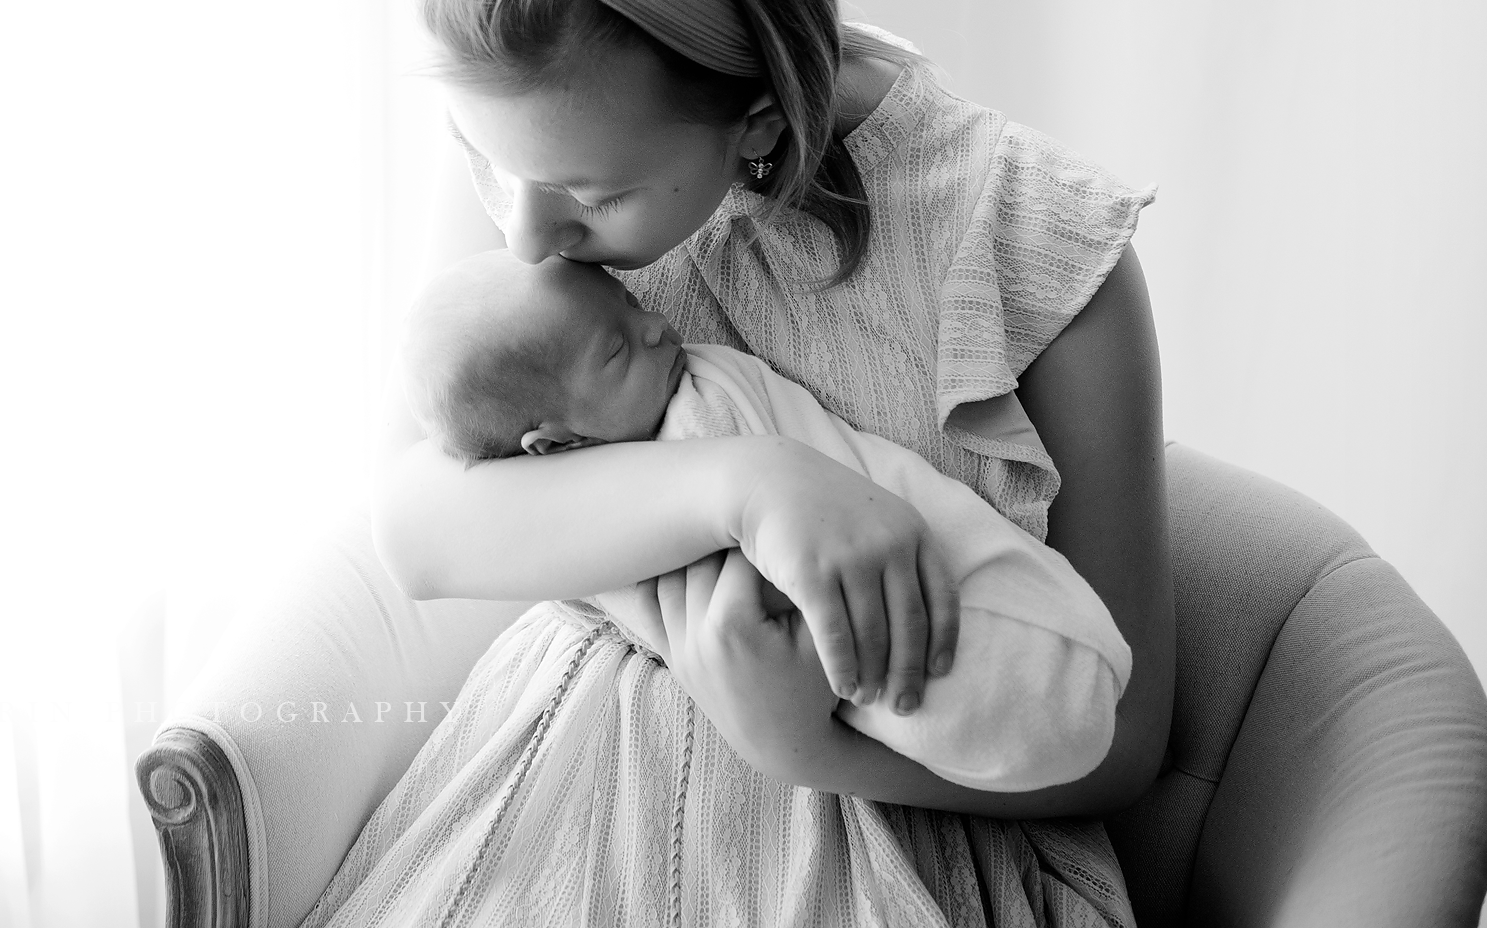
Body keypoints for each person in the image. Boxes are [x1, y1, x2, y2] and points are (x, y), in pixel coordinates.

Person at [307, 0, 1171, 928]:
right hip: (558, 793)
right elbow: (417, 527)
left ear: (757, 121)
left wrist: (806, 749)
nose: (523, 238)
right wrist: (746, 485)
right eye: (480, 161)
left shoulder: (1038, 252)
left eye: (593, 196)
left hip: (898, 834)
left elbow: (1117, 742)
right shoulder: (534, 136)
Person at [401, 246, 1133, 794]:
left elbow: (1127, 755)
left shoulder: (700, 393)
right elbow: (407, 534)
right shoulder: (503, 312)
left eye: (633, 304)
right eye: (618, 348)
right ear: (555, 444)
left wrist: (809, 754)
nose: (658, 326)